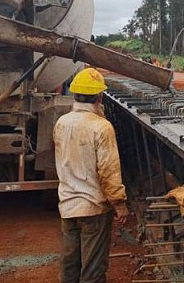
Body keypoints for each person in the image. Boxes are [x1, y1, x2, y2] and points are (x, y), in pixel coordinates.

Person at [54, 68, 129, 283]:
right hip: (93, 208)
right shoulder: (101, 127)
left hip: (68, 206)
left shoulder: (62, 122)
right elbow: (108, 171)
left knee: (70, 267)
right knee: (93, 271)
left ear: (74, 93)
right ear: (100, 96)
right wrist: (119, 203)